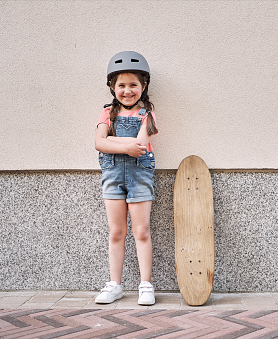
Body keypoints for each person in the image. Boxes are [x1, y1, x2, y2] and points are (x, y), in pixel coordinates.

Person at [94, 51, 158, 306]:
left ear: (143, 86)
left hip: (139, 176)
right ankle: (115, 285)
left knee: (141, 231)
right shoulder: (107, 113)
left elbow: (141, 145)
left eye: (133, 84)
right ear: (112, 87)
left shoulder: (148, 114)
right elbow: (98, 143)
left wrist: (112, 140)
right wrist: (123, 144)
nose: (127, 90)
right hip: (112, 177)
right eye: (121, 85)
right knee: (117, 231)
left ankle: (145, 284)